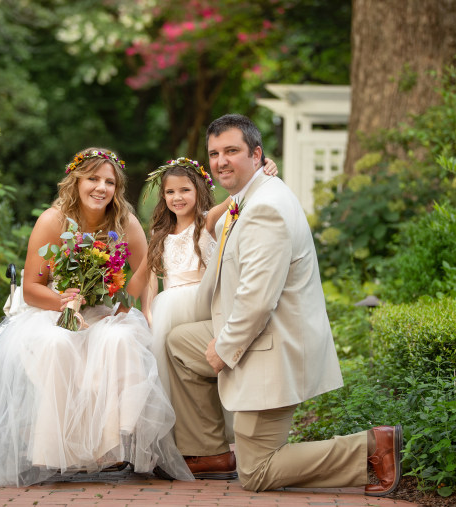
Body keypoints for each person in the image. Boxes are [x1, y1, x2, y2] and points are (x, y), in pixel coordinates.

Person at [165, 114, 403, 496]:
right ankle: (209, 451)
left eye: (231, 151)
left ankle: (372, 448)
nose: (221, 161)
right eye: (214, 153)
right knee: (180, 343)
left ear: (256, 154)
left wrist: (224, 350)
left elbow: (258, 301)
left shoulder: (265, 209)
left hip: (273, 348)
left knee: (256, 473)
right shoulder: (249, 198)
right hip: (261, 332)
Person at [0, 148, 193, 487]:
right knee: (58, 343)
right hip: (52, 309)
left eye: (109, 182)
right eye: (93, 179)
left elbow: (145, 271)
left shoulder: (124, 222)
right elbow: (31, 288)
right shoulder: (53, 220)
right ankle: (55, 451)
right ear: (75, 181)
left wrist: (143, 308)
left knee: (119, 339)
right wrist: (65, 301)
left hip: (102, 312)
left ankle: (110, 444)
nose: (101, 188)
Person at [127, 157, 277, 396]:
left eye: (185, 190)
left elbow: (236, 197)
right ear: (163, 196)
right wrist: (147, 310)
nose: (177, 197)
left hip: (202, 299)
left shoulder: (207, 220)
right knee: (166, 365)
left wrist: (261, 168)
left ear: (199, 191)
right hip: (167, 306)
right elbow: (152, 276)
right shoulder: (159, 231)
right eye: (170, 192)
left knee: (198, 361)